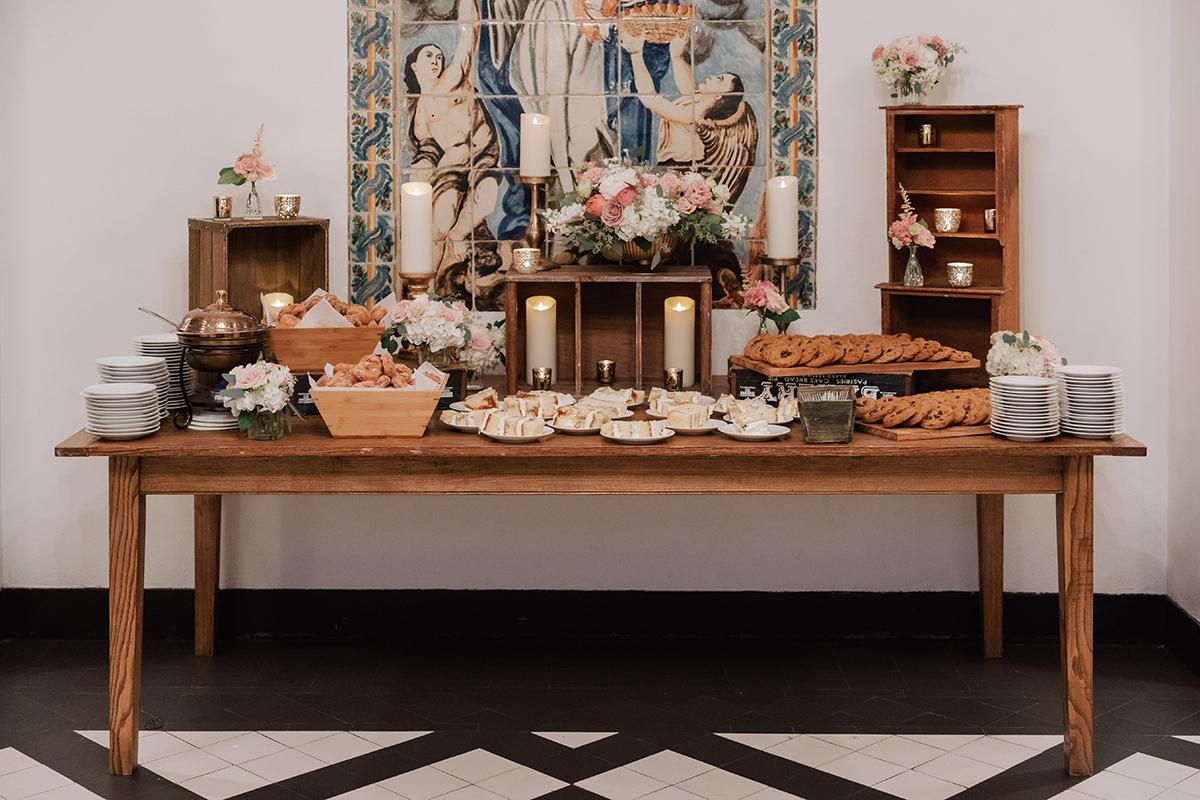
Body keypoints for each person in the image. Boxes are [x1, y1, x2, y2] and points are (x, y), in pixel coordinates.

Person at [403, 0, 501, 297]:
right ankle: (429, 289)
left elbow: (467, 38)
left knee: (486, 200)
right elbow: (425, 153)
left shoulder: (453, 80)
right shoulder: (417, 111)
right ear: (414, 66)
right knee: (440, 225)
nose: (435, 60)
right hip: (451, 169)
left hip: (482, 157)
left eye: (438, 56)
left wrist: (469, 7)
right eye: (428, 55)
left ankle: (456, 253)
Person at [619, 31, 757, 201]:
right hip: (676, 170)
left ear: (719, 96)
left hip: (678, 172)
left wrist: (636, 54)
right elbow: (688, 86)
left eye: (719, 79)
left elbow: (650, 101)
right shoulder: (698, 103)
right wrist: (676, 56)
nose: (713, 76)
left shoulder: (691, 116)